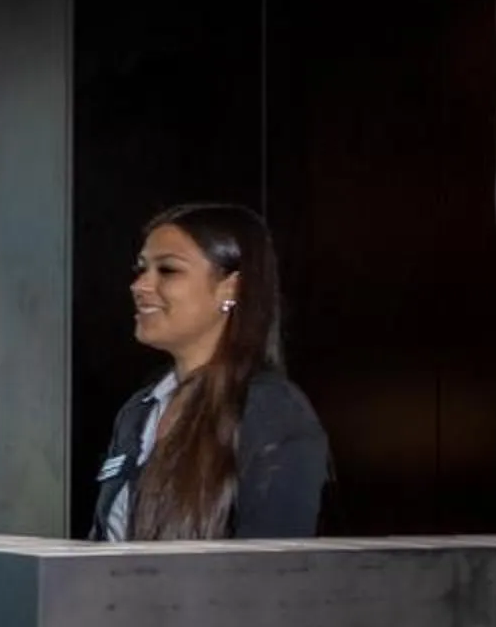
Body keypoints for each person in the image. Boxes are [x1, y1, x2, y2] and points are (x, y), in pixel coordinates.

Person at [90, 201, 332, 541]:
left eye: (167, 270)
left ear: (230, 287)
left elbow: (277, 565)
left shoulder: (270, 409)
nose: (139, 285)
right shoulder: (138, 411)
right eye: (141, 269)